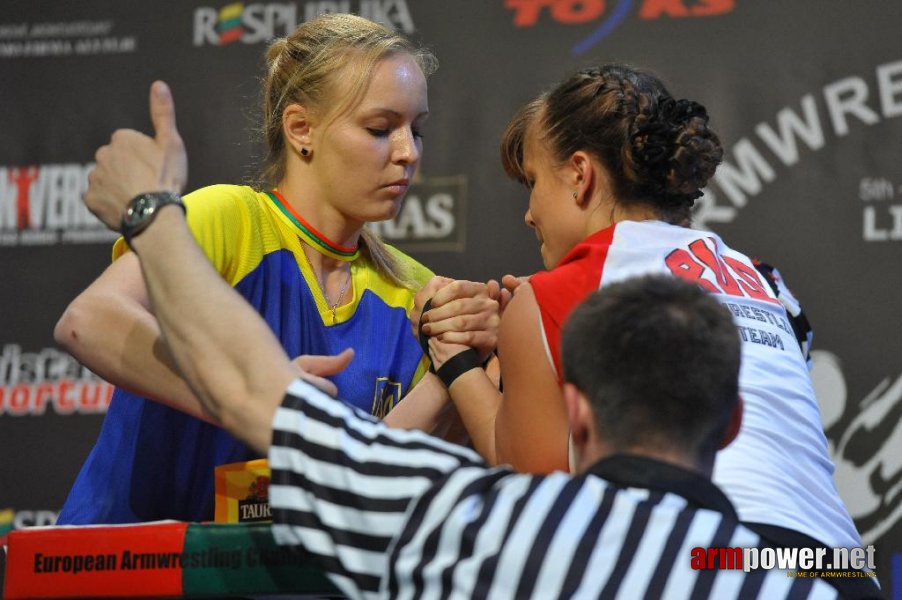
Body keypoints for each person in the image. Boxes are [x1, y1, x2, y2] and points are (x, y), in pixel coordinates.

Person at [77, 88, 841, 595]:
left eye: (531, 186)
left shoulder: (527, 530)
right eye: (381, 127)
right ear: (732, 417)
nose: (407, 152)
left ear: (578, 412)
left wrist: (151, 213)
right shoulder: (763, 282)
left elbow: (502, 471)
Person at [53, 13, 496, 525]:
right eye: (380, 128)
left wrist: (457, 370)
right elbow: (88, 321)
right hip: (127, 568)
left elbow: (359, 476)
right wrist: (253, 397)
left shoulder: (415, 290)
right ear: (301, 129)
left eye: (415, 130)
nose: (408, 153)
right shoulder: (228, 218)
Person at [418, 65, 868, 560]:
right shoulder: (760, 278)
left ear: (579, 175)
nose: (528, 212)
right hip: (841, 568)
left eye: (532, 181)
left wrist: (455, 359)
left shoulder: (557, 293)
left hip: (711, 561)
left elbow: (536, 493)